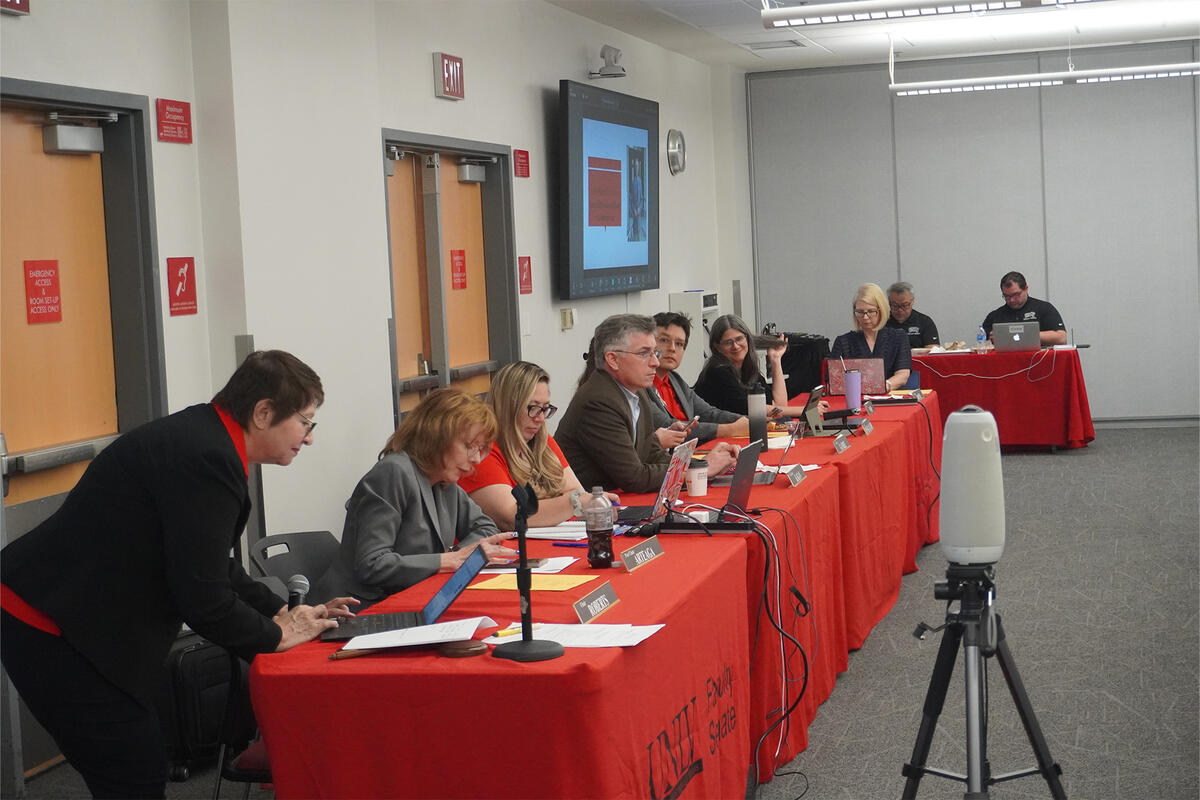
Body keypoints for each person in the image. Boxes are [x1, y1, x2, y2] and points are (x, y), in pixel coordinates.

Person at [0, 350, 358, 799]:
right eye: (306, 422)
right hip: (50, 622)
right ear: (263, 412)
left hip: (66, 617)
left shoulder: (206, 438)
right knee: (132, 769)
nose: (308, 439)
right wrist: (273, 635)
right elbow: (203, 598)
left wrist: (288, 611)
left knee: (136, 763)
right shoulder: (207, 458)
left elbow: (211, 565)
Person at [315, 388, 516, 607]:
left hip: (416, 597)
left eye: (481, 449)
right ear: (437, 437)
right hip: (359, 608)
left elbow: (485, 527)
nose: (477, 459)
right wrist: (446, 561)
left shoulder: (444, 479)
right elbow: (372, 565)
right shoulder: (393, 473)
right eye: (469, 446)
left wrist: (458, 555)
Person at [556, 314, 738, 494]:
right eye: (644, 354)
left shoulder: (636, 392)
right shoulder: (598, 402)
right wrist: (702, 470)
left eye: (655, 353)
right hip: (589, 511)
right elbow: (635, 478)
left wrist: (700, 464)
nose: (655, 362)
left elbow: (652, 453)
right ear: (613, 359)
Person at [460, 361, 616, 529]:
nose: (540, 418)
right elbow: (511, 517)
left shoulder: (542, 440)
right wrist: (575, 503)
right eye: (533, 408)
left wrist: (579, 501)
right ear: (508, 406)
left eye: (545, 408)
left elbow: (576, 491)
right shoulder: (483, 450)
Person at [649, 311, 748, 449]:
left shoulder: (674, 379)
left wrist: (747, 421)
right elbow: (668, 426)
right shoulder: (640, 386)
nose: (672, 349)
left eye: (679, 344)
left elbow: (709, 413)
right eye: (664, 340)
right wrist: (730, 429)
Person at [693, 314, 813, 418]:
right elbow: (754, 410)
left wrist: (776, 360)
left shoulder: (747, 368)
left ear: (747, 339)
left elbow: (779, 406)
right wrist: (806, 410)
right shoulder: (717, 371)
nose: (735, 346)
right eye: (728, 342)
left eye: (739, 339)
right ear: (717, 347)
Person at [829, 283, 913, 392]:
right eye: (860, 312)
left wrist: (883, 387)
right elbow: (835, 379)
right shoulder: (843, 341)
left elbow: (902, 375)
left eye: (871, 311)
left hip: (888, 398)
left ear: (881, 310)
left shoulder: (898, 337)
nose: (865, 317)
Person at [981, 271, 1068, 346]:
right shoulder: (995, 316)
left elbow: (1061, 338)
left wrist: (1020, 335)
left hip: (1039, 361)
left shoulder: (1044, 308)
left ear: (1026, 289)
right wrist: (991, 340)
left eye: (1016, 295)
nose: (1011, 300)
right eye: (1006, 296)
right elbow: (982, 345)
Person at [885, 281, 940, 349]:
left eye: (904, 305)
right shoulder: (882, 321)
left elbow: (932, 351)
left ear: (912, 301)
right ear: (889, 302)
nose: (900, 310)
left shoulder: (924, 322)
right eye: (895, 306)